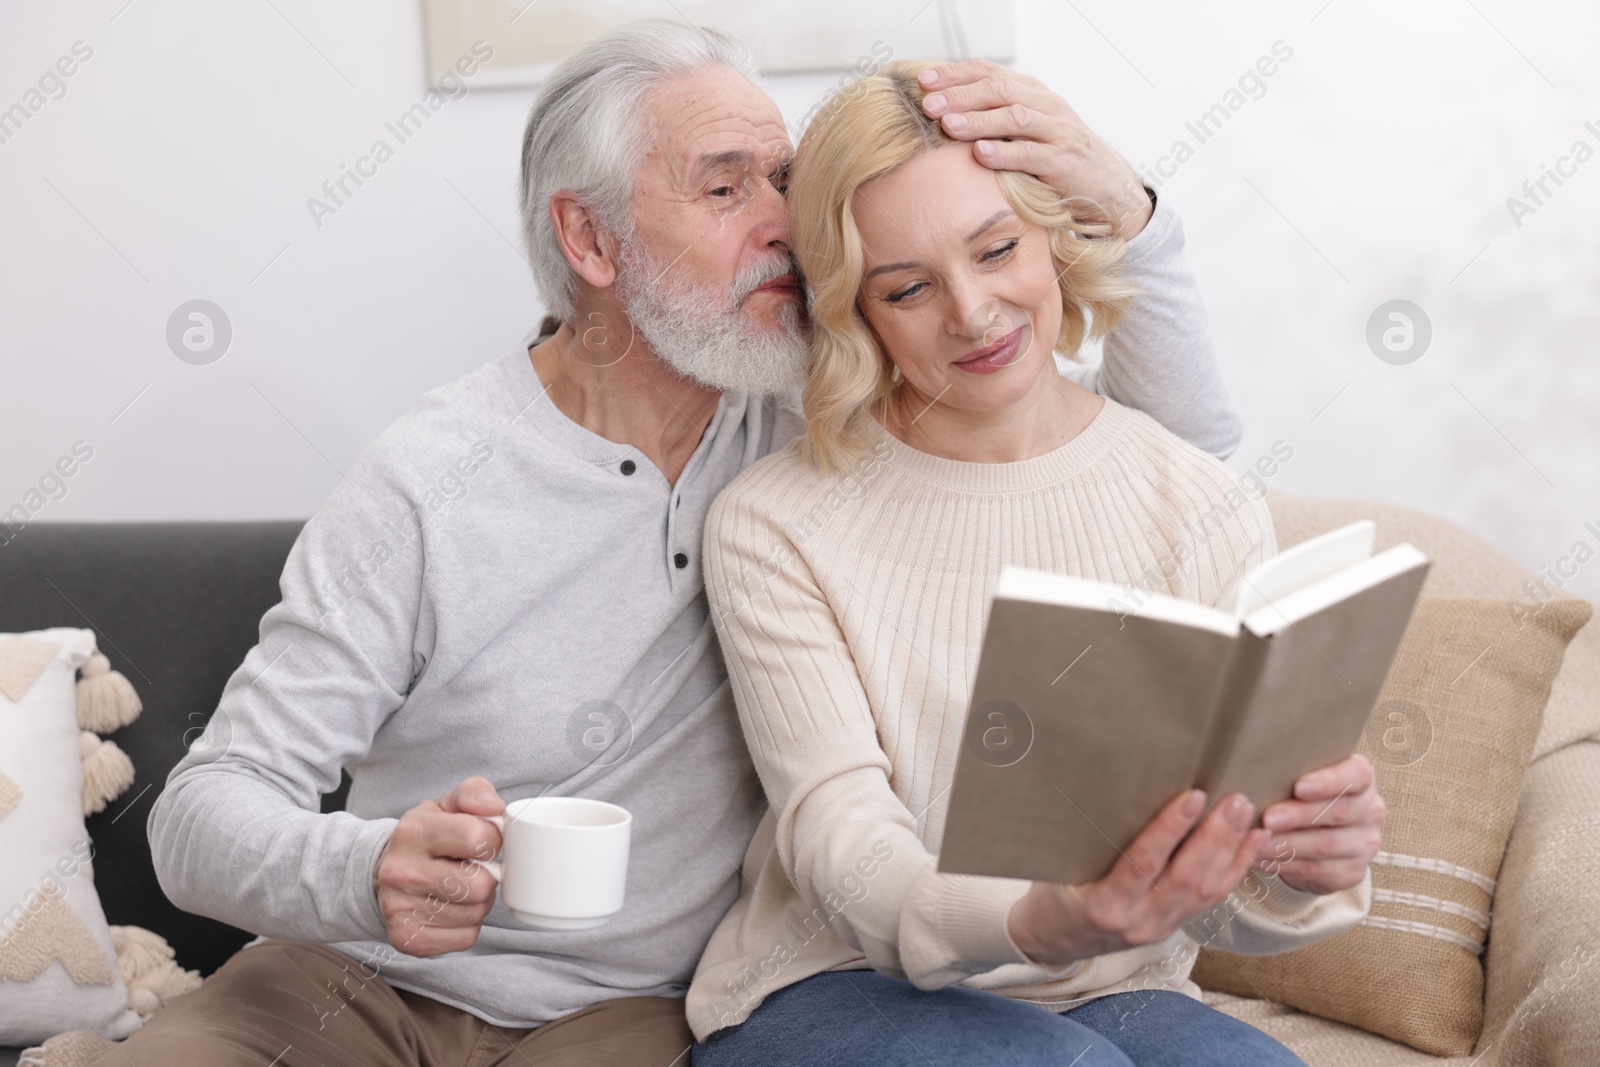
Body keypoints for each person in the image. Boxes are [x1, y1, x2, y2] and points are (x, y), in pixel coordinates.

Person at [84, 21, 1247, 1067]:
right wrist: (364, 864)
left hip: (627, 1008)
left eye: (785, 179)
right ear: (590, 239)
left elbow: (1155, 456)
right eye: (724, 186)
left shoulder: (823, 418)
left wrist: (1130, 212)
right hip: (354, 977)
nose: (785, 223)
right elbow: (201, 815)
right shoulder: (431, 479)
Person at [685, 61, 1384, 1067]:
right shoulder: (776, 521)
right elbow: (843, 845)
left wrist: (1303, 864)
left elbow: (1226, 900)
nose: (972, 313)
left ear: (1054, 240)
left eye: (997, 247)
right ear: (857, 313)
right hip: (833, 986)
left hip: (1111, 985)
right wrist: (1046, 917)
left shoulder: (1197, 494)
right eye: (908, 287)